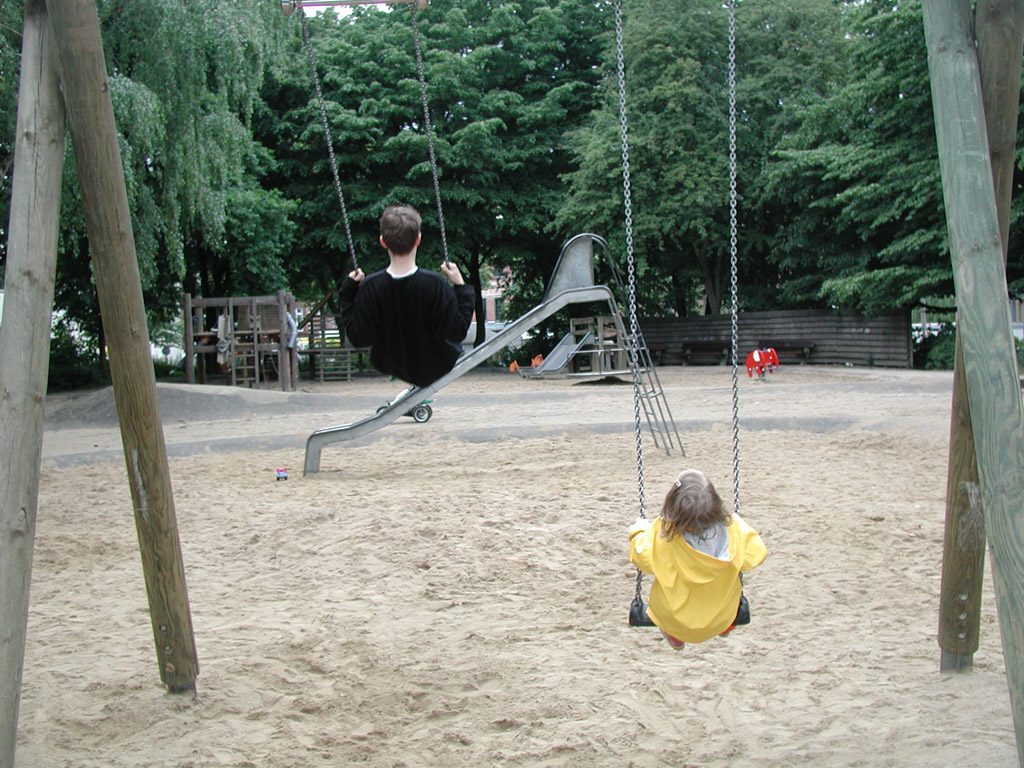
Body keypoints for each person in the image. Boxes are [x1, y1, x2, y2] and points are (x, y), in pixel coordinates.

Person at [628, 469, 767, 650]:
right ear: (717, 504)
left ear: (671, 506)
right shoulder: (735, 530)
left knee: (664, 614)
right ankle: (725, 627)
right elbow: (756, 554)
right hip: (722, 615)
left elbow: (640, 557)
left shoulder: (662, 535)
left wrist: (638, 531)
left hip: (675, 620)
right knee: (723, 605)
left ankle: (675, 637)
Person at [340, 205, 474, 389]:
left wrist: (348, 293)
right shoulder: (434, 285)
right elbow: (457, 332)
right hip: (436, 363)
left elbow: (359, 337)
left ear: (383, 242)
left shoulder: (371, 287)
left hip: (387, 362)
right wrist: (460, 286)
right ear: (418, 239)